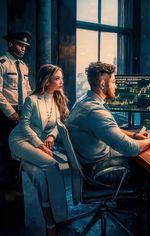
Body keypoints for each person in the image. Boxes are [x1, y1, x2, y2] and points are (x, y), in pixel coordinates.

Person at [66, 61, 150, 187]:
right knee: (149, 169)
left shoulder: (82, 102)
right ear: (103, 84)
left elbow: (110, 129)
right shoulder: (96, 111)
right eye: (114, 82)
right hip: (99, 171)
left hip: (89, 163)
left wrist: (134, 135)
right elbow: (132, 149)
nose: (116, 86)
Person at [9, 64, 69, 236]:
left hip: (38, 143)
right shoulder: (32, 99)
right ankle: (57, 217)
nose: (61, 82)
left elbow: (57, 125)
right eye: (57, 78)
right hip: (20, 140)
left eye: (61, 78)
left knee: (40, 176)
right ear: (46, 80)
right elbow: (24, 126)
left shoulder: (57, 99)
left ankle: (50, 219)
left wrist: (50, 137)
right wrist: (40, 145)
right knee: (52, 165)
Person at [0, 31, 32, 195]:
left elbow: (27, 90)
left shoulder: (24, 66)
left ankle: (15, 184)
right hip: (6, 113)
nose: (23, 48)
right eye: (20, 44)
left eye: (25, 46)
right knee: (6, 150)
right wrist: (10, 112)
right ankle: (6, 189)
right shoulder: (3, 63)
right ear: (10, 44)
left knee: (18, 149)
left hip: (22, 112)